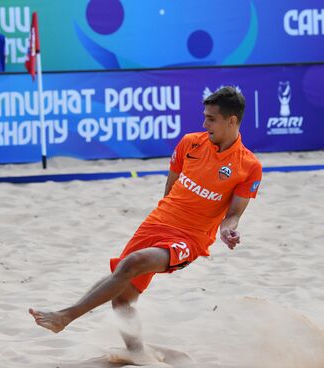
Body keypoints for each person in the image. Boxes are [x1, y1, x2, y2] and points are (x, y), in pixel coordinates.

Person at [29, 86, 263, 363]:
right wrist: (165, 215)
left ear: (232, 121)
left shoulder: (248, 165)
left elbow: (233, 214)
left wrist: (228, 230)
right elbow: (171, 185)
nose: (204, 123)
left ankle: (65, 316)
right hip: (157, 222)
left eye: (211, 118)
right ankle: (138, 354)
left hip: (191, 237)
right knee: (123, 297)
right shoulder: (190, 143)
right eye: (205, 116)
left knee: (132, 264)